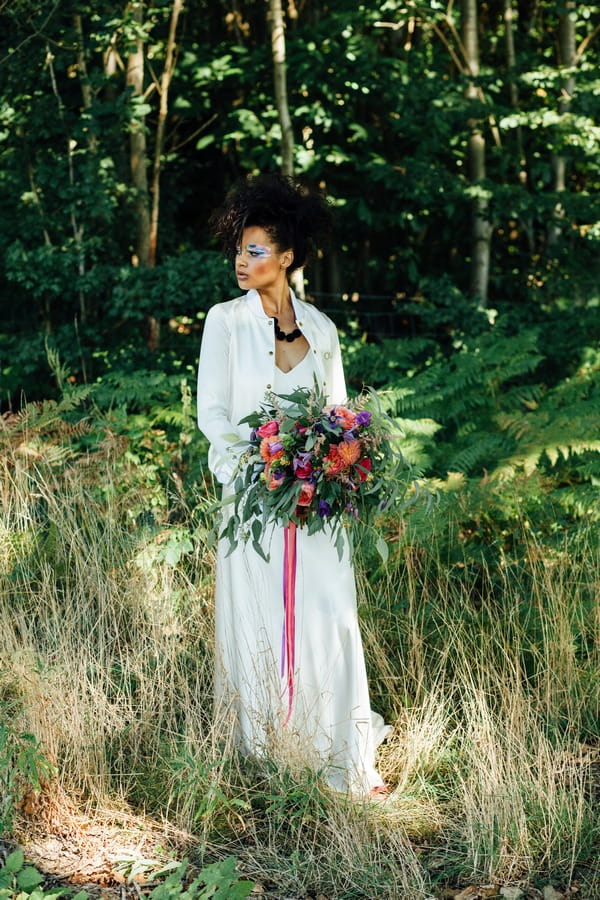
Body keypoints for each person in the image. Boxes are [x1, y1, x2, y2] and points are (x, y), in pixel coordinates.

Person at [196, 173, 390, 796]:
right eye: (239, 250)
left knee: (325, 612)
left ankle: (333, 748)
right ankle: (266, 757)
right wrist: (253, 472)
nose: (242, 261)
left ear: (286, 257)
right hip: (251, 500)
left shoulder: (323, 329)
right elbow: (214, 416)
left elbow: (337, 416)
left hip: (317, 504)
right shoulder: (224, 323)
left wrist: (334, 465)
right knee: (256, 615)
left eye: (255, 251)